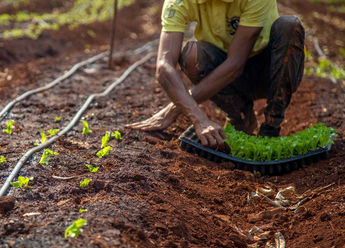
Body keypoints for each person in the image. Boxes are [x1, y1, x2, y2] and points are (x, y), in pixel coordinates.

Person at [126, 0, 305, 150]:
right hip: (226, 75)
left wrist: (174, 109)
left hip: (271, 69)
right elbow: (164, 66)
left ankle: (270, 130)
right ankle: (241, 116)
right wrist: (198, 118)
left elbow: (236, 63)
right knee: (191, 56)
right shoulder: (179, 2)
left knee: (289, 26)